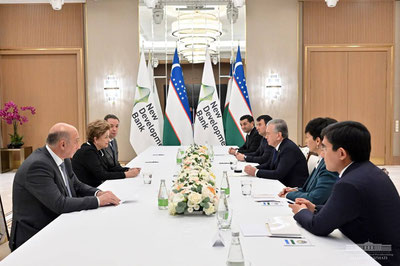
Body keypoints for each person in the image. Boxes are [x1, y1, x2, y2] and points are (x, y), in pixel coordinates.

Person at [289, 121, 400, 266]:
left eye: (325, 147)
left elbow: (318, 226)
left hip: (376, 257)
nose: (322, 153)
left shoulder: (348, 184)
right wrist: (315, 208)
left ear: (341, 153)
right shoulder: (369, 171)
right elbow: (349, 210)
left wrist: (301, 211)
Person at [9, 123, 121, 251]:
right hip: (35, 236)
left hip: (60, 223)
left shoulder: (64, 158)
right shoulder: (38, 165)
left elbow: (76, 184)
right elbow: (59, 204)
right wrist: (99, 201)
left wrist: (97, 193)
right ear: (62, 144)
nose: (79, 147)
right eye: (76, 142)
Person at [278, 117, 338, 204]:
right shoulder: (321, 160)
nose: (305, 141)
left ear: (317, 140)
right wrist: (294, 190)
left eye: (307, 137)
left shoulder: (329, 165)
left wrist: (288, 195)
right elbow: (308, 189)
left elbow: (315, 198)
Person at [72, 120, 140, 187]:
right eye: (106, 137)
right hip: (88, 191)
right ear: (96, 139)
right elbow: (102, 175)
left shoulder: (97, 149)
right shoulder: (88, 152)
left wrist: (127, 169)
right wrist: (126, 174)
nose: (109, 140)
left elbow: (109, 168)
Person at [244, 119, 308, 187]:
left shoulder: (288, 148)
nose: (266, 137)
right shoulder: (279, 146)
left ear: (278, 135)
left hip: (293, 189)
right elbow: (269, 165)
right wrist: (254, 168)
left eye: (268, 134)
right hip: (282, 185)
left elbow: (278, 174)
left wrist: (256, 172)